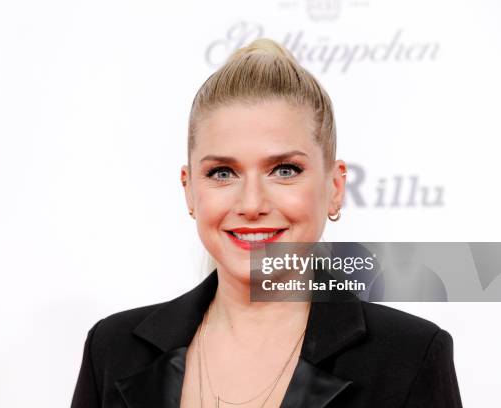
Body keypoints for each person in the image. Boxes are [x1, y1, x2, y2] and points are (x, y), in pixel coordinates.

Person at [71, 38, 462, 407]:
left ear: (335, 187)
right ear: (190, 191)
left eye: (284, 170)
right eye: (223, 173)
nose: (252, 204)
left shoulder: (412, 355)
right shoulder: (112, 349)